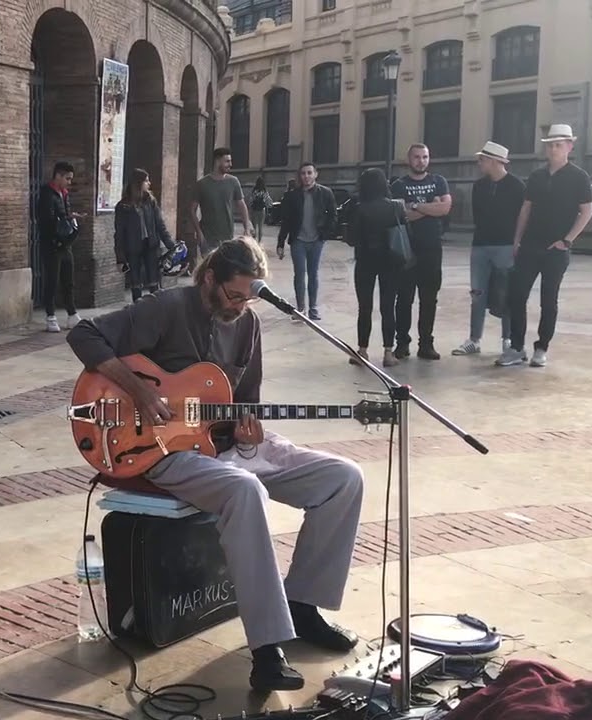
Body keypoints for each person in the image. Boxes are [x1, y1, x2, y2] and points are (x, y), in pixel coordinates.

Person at [66, 238, 364, 692]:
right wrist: (141, 392)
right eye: (234, 295)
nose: (240, 306)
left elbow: (246, 402)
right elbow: (84, 334)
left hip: (226, 444)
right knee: (245, 490)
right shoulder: (167, 307)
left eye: (248, 299)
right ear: (209, 279)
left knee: (343, 478)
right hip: (166, 451)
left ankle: (303, 604)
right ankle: (267, 649)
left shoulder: (247, 323)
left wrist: (248, 428)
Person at [497, 123, 592, 368]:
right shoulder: (537, 176)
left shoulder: (579, 177)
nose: (553, 150)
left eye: (558, 145)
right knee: (517, 295)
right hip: (530, 245)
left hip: (556, 249)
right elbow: (526, 209)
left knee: (548, 300)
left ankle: (542, 347)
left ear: (569, 147)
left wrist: (567, 240)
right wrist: (517, 239)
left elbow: (586, 211)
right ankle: (516, 347)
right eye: (550, 145)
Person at [452, 141, 526, 358]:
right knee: (477, 293)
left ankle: (507, 339)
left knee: (506, 293)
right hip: (481, 245)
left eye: (482, 160)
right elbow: (478, 215)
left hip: (506, 245)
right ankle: (474, 339)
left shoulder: (517, 186)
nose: (479, 163)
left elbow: (522, 217)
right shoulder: (479, 186)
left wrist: (517, 241)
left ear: (495, 162)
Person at [390, 144, 453, 360]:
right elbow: (402, 215)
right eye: (417, 157)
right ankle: (402, 343)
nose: (421, 161)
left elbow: (445, 208)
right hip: (406, 249)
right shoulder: (399, 185)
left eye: (425, 157)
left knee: (429, 299)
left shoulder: (438, 181)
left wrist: (415, 206)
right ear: (409, 159)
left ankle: (426, 344)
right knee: (404, 299)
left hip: (432, 249)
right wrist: (430, 207)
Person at [346, 168, 407, 368]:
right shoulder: (396, 207)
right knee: (388, 307)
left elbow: (351, 238)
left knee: (364, 307)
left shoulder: (359, 208)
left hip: (365, 261)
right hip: (391, 262)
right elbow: (405, 231)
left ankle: (362, 351)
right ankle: (388, 352)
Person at [275, 162, 337, 319]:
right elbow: (286, 220)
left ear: (316, 174)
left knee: (313, 273)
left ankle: (313, 308)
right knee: (299, 274)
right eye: (303, 173)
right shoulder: (292, 196)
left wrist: (325, 233)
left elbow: (333, 215)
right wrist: (281, 242)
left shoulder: (325, 193)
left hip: (316, 240)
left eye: (309, 173)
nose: (306, 176)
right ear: (299, 176)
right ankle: (301, 308)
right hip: (298, 241)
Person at [115, 168, 179, 302]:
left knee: (154, 280)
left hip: (151, 246)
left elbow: (160, 225)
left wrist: (171, 245)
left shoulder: (150, 201)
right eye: (146, 181)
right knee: (135, 282)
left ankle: (155, 307)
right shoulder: (123, 206)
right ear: (138, 183)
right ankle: (138, 308)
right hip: (133, 248)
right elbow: (119, 233)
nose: (149, 183)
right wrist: (120, 258)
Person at [37, 161, 85, 332]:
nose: (69, 182)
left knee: (68, 280)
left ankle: (72, 313)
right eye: (67, 178)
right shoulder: (47, 194)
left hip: (65, 243)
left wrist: (71, 218)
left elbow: (63, 214)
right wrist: (66, 219)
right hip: (52, 244)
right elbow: (47, 220)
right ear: (58, 176)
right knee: (52, 280)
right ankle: (50, 315)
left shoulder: (64, 194)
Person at [190, 147, 252, 258]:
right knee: (210, 266)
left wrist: (246, 229)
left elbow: (242, 205)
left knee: (225, 266)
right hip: (207, 238)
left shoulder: (233, 182)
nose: (230, 164)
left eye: (230, 161)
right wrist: (199, 232)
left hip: (227, 237)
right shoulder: (202, 184)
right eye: (227, 161)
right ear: (217, 161)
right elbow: (192, 210)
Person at [247, 176, 272, 243]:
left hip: (254, 210)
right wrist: (269, 206)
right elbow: (268, 201)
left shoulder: (254, 191)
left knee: (254, 226)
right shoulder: (264, 191)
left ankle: (254, 241)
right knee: (260, 227)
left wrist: (250, 207)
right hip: (262, 210)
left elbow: (250, 200)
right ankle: (259, 242)